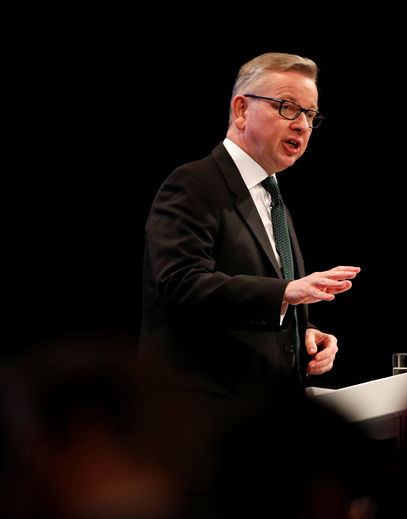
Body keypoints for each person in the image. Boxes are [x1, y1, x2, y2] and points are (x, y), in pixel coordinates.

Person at [137, 52, 362, 516]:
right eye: (287, 107)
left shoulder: (272, 198)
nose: (301, 125)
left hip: (260, 446)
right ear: (241, 109)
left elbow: (249, 310)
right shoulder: (194, 184)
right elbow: (180, 284)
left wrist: (301, 337)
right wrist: (285, 294)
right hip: (200, 438)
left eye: (310, 115)